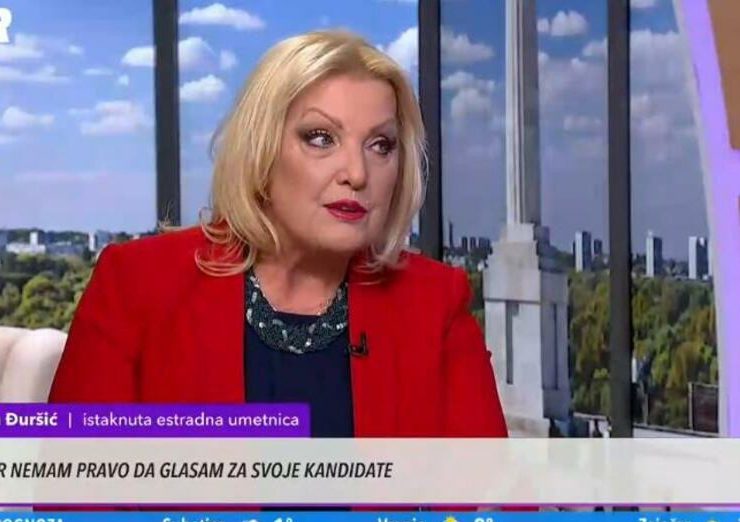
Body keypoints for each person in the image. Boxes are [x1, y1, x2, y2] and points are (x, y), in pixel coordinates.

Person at [49, 30, 506, 440]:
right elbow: (79, 493)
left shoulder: (437, 303)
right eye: (321, 137)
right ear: (261, 150)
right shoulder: (136, 285)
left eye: (380, 145)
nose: (357, 173)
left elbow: (491, 497)